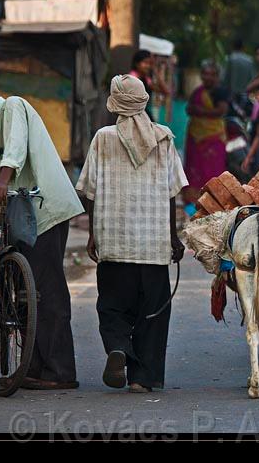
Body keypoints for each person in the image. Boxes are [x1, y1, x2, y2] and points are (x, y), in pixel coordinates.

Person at [0, 70, 84, 390]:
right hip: (27, 214)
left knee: (48, 292)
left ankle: (60, 372)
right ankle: (37, 366)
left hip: (46, 211)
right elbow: (3, 169)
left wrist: (0, 181)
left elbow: (16, 151)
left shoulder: (12, 106)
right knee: (29, 294)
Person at [76, 74, 188, 394]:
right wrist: (173, 236)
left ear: (114, 103)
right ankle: (143, 378)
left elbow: (90, 192)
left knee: (112, 306)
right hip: (153, 245)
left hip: (114, 239)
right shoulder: (164, 137)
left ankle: (118, 347)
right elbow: (172, 193)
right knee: (153, 312)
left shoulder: (103, 137)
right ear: (144, 101)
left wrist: (93, 234)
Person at [183, 61, 230, 216]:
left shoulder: (220, 92)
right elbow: (188, 108)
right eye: (205, 74)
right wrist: (194, 110)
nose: (208, 77)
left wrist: (200, 111)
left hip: (213, 138)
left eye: (212, 74)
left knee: (212, 171)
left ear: (217, 77)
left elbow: (221, 111)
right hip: (195, 137)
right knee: (193, 169)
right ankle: (192, 206)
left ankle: (213, 205)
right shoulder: (197, 92)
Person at [130, 49, 171, 122]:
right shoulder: (132, 78)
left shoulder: (146, 79)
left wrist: (155, 70)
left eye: (150, 63)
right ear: (137, 63)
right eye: (145, 63)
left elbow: (166, 91)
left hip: (142, 114)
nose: (148, 66)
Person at [221, 38, 255, 118]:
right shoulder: (249, 60)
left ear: (232, 47)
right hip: (245, 96)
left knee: (230, 119)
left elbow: (224, 78)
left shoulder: (229, 59)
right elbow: (252, 78)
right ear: (243, 47)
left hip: (231, 96)